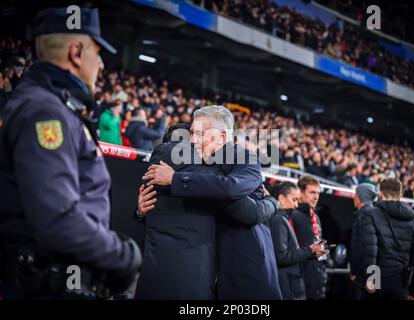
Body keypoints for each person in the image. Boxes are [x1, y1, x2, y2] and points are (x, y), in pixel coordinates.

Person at [0, 7, 141, 299]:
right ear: (76, 52)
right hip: (44, 284)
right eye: (98, 53)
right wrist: (125, 255)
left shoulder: (51, 104)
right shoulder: (45, 112)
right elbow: (57, 220)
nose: (101, 65)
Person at [145, 105, 282, 299]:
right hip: (214, 261)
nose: (192, 140)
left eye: (200, 134)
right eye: (192, 133)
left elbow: (234, 193)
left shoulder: (245, 157)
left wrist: (175, 179)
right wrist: (141, 211)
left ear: (223, 136)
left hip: (247, 256)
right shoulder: (200, 161)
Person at [361, 178, 414, 300]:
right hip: (401, 283)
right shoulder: (412, 220)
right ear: (400, 194)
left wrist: (371, 279)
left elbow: (371, 250)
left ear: (380, 193)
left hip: (378, 280)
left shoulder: (371, 214)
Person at [269, 181, 327, 300]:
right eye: (294, 199)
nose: (296, 205)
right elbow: (281, 256)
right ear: (281, 198)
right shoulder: (278, 220)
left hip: (293, 284)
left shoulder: (282, 218)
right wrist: (310, 250)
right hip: (288, 286)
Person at [291, 175, 328, 300]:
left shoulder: (316, 217)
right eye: (312, 192)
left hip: (316, 279)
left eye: (318, 193)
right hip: (299, 280)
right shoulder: (292, 215)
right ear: (300, 193)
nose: (316, 197)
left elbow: (319, 247)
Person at [349, 183, 378, 300]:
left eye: (356, 194)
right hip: (366, 274)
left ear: (361, 197)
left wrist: (354, 271)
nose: (353, 197)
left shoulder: (365, 216)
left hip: (363, 276)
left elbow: (371, 249)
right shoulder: (372, 214)